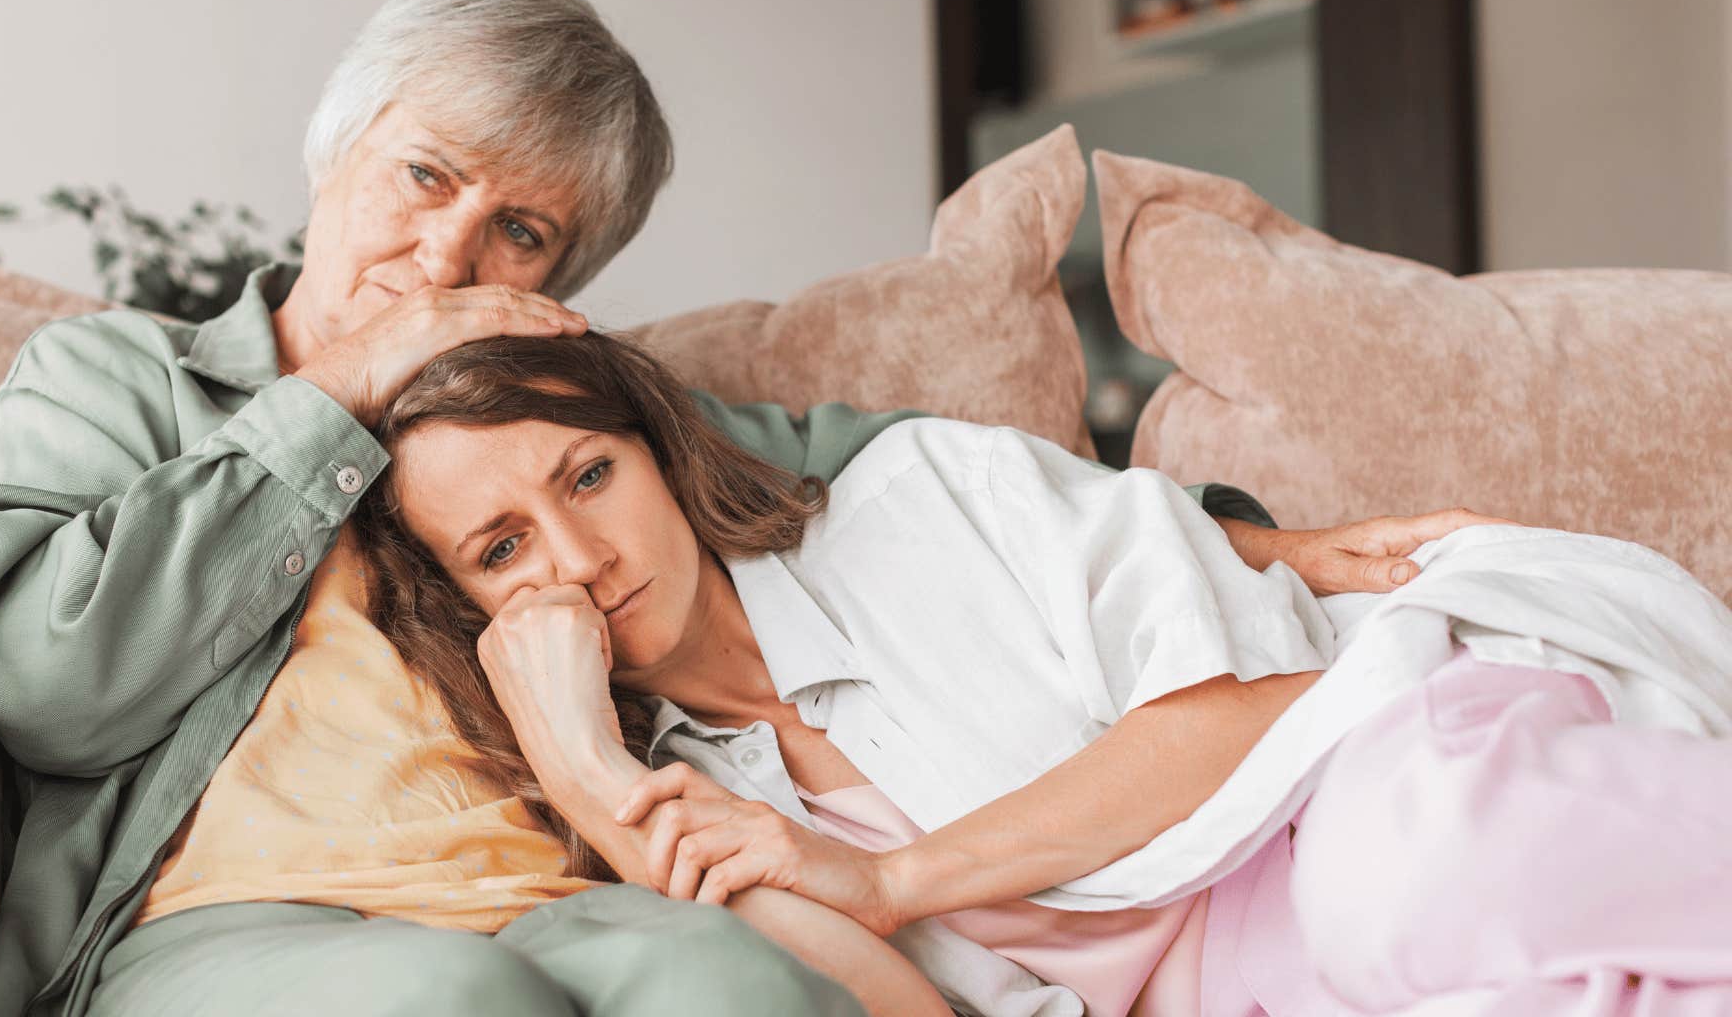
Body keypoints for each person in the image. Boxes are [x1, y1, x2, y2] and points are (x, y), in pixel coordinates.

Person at [0, 0, 1487, 1017]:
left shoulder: (555, 402)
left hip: (549, 887)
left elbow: (835, 457)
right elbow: (43, 686)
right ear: (341, 150)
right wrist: (333, 393)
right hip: (210, 924)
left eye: (522, 234)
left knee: (733, 985)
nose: (450, 257)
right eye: (424, 177)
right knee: (448, 1004)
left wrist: (1253, 538)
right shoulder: (118, 384)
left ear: (566, 281)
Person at [358, 330, 1732, 1016]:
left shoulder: (915, 498)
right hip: (1259, 990)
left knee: (1404, 878)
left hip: (1369, 770)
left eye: (589, 474)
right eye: (503, 548)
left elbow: (1244, 710)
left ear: (655, 448)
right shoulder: (684, 814)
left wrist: (894, 877)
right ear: (470, 610)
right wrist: (589, 773)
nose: (583, 554)